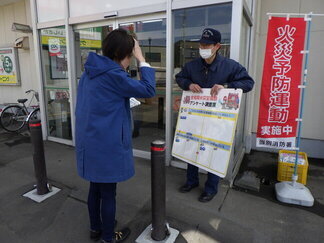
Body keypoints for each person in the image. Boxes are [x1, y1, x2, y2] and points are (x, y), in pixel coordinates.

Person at [75, 29, 155, 243]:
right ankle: (108, 238)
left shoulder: (89, 72)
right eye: (130, 56)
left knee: (95, 188)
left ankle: (96, 228)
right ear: (123, 54)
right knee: (108, 193)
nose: (130, 61)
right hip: (107, 144)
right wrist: (143, 60)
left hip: (89, 140)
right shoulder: (114, 75)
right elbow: (148, 89)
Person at [175, 28, 254, 202]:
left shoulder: (230, 66)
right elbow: (179, 78)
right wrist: (188, 84)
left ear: (217, 46)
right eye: (201, 44)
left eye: (207, 45)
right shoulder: (192, 66)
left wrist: (226, 86)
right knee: (193, 148)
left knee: (214, 152)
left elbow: (248, 83)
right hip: (196, 117)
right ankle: (191, 181)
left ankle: (211, 188)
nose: (203, 47)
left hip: (218, 120)